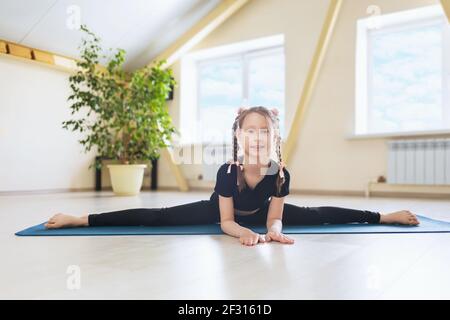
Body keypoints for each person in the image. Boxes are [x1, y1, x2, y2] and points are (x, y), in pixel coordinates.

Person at [45, 106, 419, 246]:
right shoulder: (228, 172)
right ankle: (81, 219)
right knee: (156, 216)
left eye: (264, 131)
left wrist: (274, 232)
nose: (257, 137)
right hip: (219, 213)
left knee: (319, 212)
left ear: (273, 137)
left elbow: (275, 217)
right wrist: (245, 233)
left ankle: (383, 216)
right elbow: (225, 222)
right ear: (239, 137)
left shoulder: (281, 175)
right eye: (249, 130)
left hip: (261, 217)